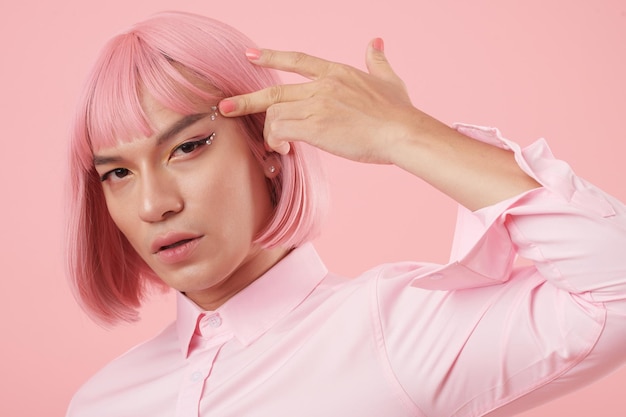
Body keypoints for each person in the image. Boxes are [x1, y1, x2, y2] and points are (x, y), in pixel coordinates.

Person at [65, 10, 626, 417]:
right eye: (118, 173)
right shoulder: (100, 402)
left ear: (268, 145)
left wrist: (406, 135)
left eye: (187, 147)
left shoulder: (395, 333)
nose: (152, 204)